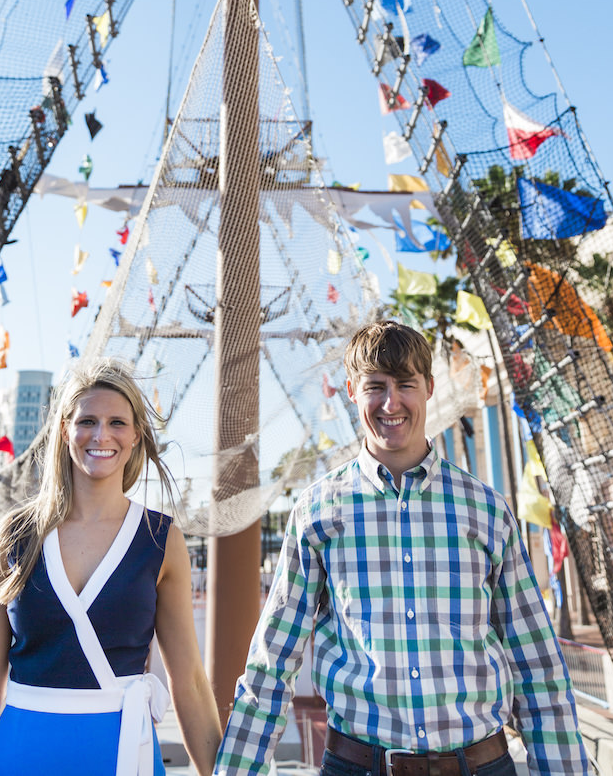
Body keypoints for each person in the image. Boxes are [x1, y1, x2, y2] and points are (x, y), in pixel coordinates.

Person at [214, 320, 589, 776]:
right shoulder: (316, 512)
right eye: (376, 386)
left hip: (481, 765)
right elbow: (271, 666)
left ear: (429, 388)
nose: (391, 403)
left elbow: (538, 668)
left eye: (406, 384)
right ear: (351, 390)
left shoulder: (485, 509)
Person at [0, 357, 222, 776]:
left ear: (135, 436)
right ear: (65, 430)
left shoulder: (160, 539)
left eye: (117, 422)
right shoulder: (14, 535)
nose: (101, 435)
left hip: (121, 755)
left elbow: (189, 682)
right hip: (19, 754)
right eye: (87, 421)